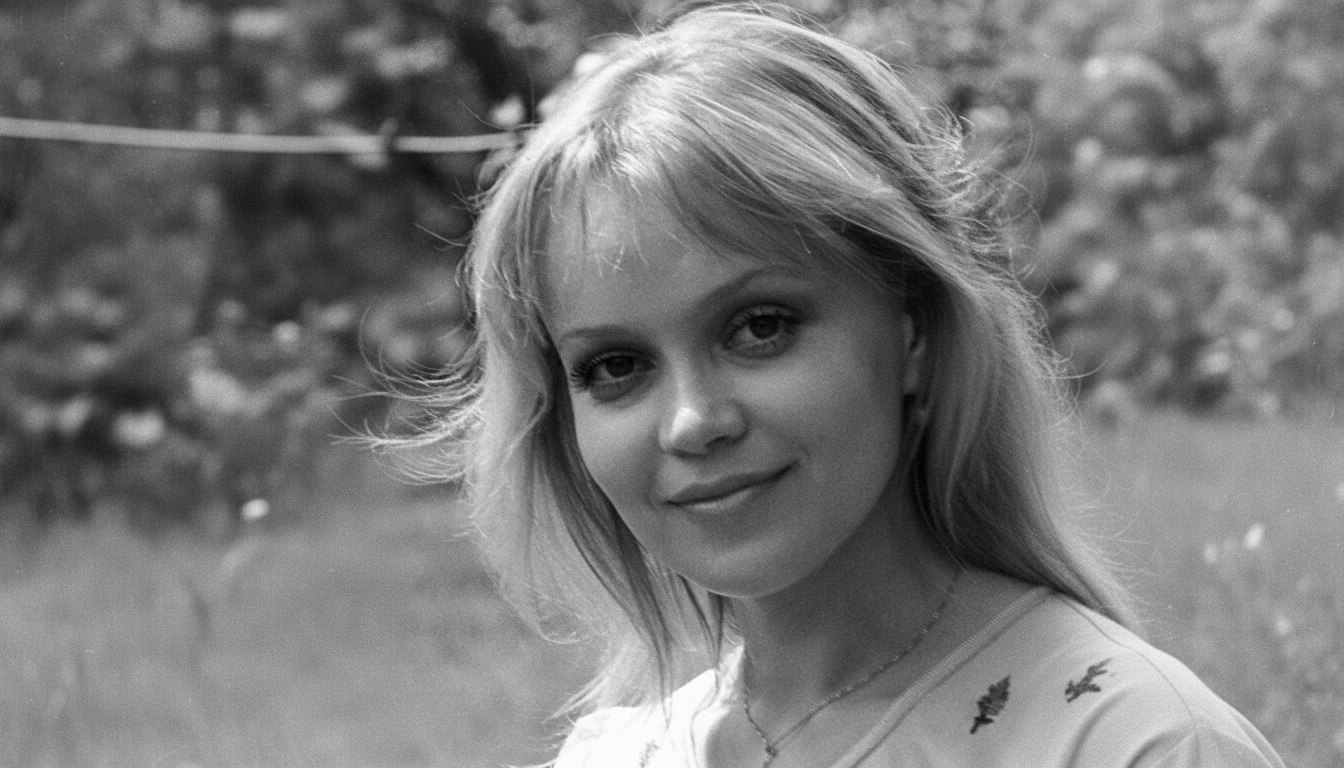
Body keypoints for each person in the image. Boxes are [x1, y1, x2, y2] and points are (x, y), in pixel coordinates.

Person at [414, 5, 1287, 767]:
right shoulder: (612, 755)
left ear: (913, 329)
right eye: (615, 367)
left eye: (760, 326)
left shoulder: (1135, 744)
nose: (692, 421)